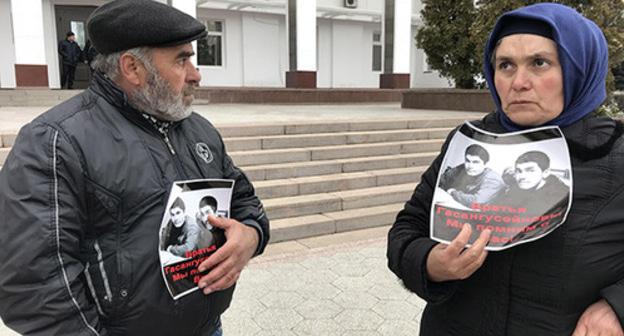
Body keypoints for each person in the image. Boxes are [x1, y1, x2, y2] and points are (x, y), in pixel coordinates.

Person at [0, 1, 269, 335]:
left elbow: (246, 204)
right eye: (182, 59)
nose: (196, 75)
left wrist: (251, 236)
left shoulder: (199, 131)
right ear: (133, 68)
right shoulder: (55, 143)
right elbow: (34, 287)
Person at [387, 3, 624, 335]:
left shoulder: (615, 155)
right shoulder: (468, 143)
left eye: (539, 63)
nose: (519, 82)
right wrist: (429, 263)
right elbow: (407, 229)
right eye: (506, 65)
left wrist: (616, 306)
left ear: (579, 69)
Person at [497, 150, 569, 213]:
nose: (522, 176)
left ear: (545, 173)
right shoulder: (515, 188)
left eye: (530, 170)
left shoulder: (560, 195)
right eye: (518, 171)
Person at [438, 144, 506, 207]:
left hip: (490, 217)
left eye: (475, 162)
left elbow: (477, 202)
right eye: (467, 161)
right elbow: (441, 180)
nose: (470, 166)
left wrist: (453, 192)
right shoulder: (463, 168)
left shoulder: (493, 179)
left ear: (485, 164)